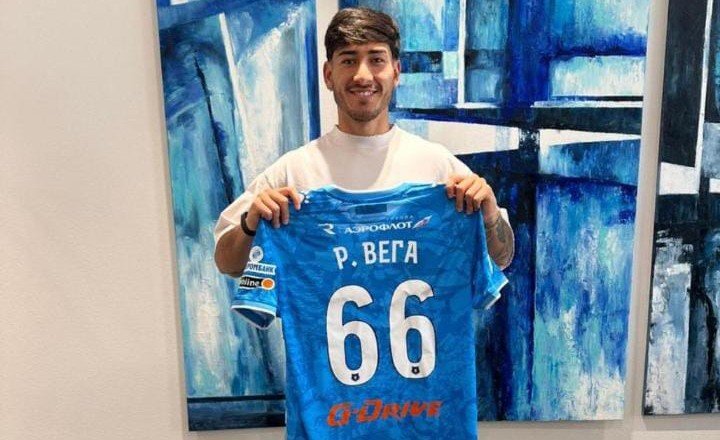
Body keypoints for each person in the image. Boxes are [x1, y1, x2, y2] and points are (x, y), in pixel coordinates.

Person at [214, 7, 514, 276]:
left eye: (376, 60)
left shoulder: (438, 167)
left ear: (396, 72)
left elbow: (501, 258)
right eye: (348, 60)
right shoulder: (292, 173)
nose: (362, 75)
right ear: (328, 75)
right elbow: (228, 264)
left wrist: (489, 213)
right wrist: (251, 222)